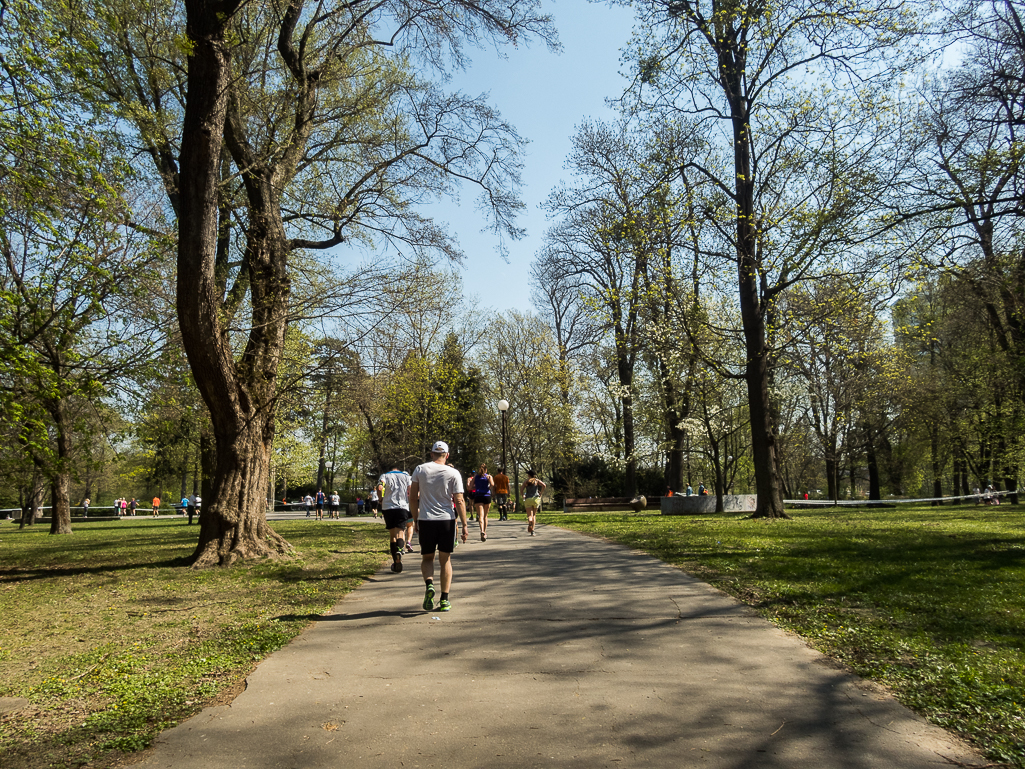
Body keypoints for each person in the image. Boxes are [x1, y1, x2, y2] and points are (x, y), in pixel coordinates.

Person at [410, 441, 468, 612]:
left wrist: (415, 519)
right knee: (445, 560)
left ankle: (429, 585)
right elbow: (459, 500)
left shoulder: (420, 469)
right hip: (447, 521)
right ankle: (444, 599)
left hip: (426, 520)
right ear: (447, 455)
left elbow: (413, 498)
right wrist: (464, 525)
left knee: (427, 558)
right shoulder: (453, 473)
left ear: (431, 454)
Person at [378, 465, 413, 572]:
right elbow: (411, 489)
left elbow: (380, 488)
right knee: (400, 532)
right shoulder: (406, 476)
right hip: (402, 507)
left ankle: (396, 561)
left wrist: (381, 499)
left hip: (388, 507)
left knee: (392, 535)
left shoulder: (385, 476)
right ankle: (400, 548)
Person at [469, 463, 494, 541]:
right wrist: (488, 487)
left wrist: (476, 487)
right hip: (486, 496)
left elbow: (470, 487)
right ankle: (485, 532)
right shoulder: (488, 476)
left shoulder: (475, 477)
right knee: (485, 516)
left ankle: (481, 530)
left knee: (481, 516)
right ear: (486, 469)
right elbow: (492, 484)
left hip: (478, 496)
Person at [521, 469, 547, 536]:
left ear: (529, 475)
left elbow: (521, 489)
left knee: (530, 515)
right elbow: (544, 485)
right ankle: (533, 531)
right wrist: (541, 493)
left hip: (528, 499)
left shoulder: (526, 481)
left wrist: (523, 495)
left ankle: (530, 521)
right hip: (536, 499)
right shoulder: (537, 481)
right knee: (534, 515)